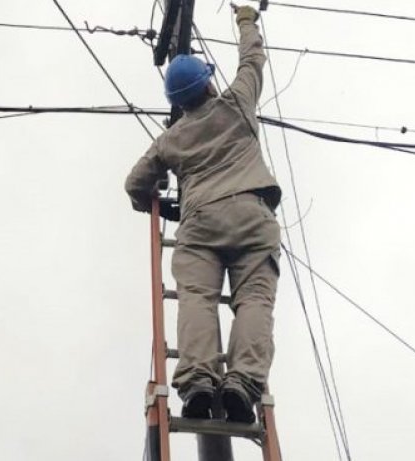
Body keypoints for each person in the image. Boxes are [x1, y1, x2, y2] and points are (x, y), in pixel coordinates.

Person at [124, 5, 281, 424]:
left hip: (200, 224)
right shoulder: (237, 103)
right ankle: (243, 385)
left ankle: (197, 384)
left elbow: (135, 184)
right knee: (253, 300)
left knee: (197, 298)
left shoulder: (171, 140)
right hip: (252, 213)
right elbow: (252, 58)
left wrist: (165, 205)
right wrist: (246, 17)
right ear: (209, 83)